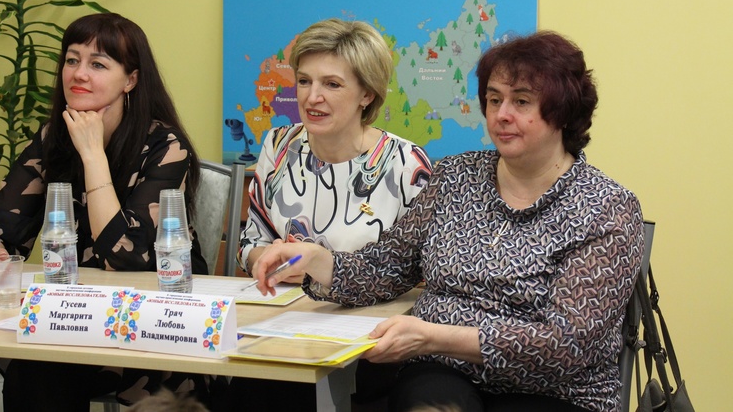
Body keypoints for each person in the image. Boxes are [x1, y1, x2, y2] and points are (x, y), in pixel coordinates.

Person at [253, 31, 645, 412]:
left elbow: (566, 344)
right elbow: (387, 267)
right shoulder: (456, 176)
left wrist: (433, 337)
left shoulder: (605, 206)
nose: (501, 115)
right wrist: (314, 260)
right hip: (444, 373)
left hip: (555, 391)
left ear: (564, 111)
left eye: (521, 101)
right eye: (494, 99)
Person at [0, 13, 207, 411]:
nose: (79, 74)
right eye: (72, 60)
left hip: (156, 319)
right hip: (77, 316)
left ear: (130, 80)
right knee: (35, 369)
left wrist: (92, 155)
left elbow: (125, 254)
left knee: (48, 368)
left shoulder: (165, 145)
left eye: (98, 64)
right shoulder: (53, 137)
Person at [231, 18, 433, 409]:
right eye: (304, 81)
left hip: (369, 338)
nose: (312, 97)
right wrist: (269, 262)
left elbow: (420, 274)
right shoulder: (279, 145)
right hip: (284, 325)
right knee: (253, 385)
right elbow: (250, 242)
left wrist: (321, 267)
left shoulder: (406, 164)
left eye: (332, 84)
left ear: (367, 94)